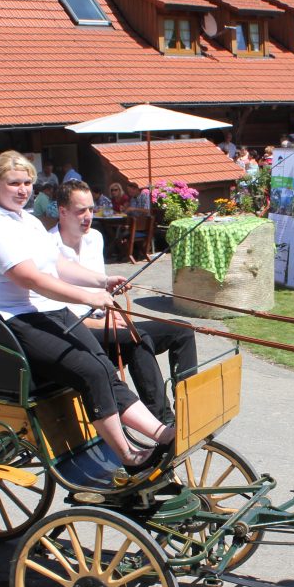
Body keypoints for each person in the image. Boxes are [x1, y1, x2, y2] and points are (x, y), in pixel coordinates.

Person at [0, 150, 173, 468]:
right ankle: (128, 455)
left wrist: (103, 280)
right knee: (91, 372)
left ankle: (162, 433)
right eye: (14, 183)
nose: (22, 189)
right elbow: (31, 279)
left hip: (43, 312)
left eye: (27, 182)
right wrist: (87, 298)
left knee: (104, 367)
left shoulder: (28, 221)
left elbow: (58, 265)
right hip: (10, 322)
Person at [52, 181, 198, 424]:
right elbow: (50, 307)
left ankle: (189, 407)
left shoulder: (95, 238)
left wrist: (111, 291)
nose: (88, 216)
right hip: (74, 331)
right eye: (81, 210)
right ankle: (164, 421)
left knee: (183, 330)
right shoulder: (47, 247)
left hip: (105, 320)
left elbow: (98, 285)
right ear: (62, 211)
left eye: (90, 209)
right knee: (137, 336)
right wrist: (100, 322)